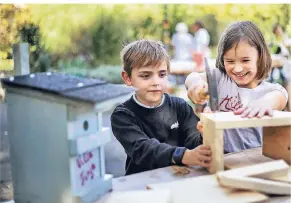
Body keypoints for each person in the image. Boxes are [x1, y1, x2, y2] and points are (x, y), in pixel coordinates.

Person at [111, 39, 212, 175]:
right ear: (128, 78)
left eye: (162, 74)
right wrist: (182, 155)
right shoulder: (123, 115)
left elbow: (193, 140)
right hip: (142, 184)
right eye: (146, 76)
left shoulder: (179, 106)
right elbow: (143, 149)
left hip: (180, 177)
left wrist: (203, 133)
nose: (156, 82)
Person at [185, 21, 288, 153]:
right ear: (222, 59)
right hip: (223, 157)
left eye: (245, 60)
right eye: (230, 61)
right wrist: (195, 84)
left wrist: (264, 103)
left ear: (260, 57)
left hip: (257, 158)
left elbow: (280, 96)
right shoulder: (220, 79)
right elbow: (193, 77)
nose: (238, 68)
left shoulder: (270, 90)